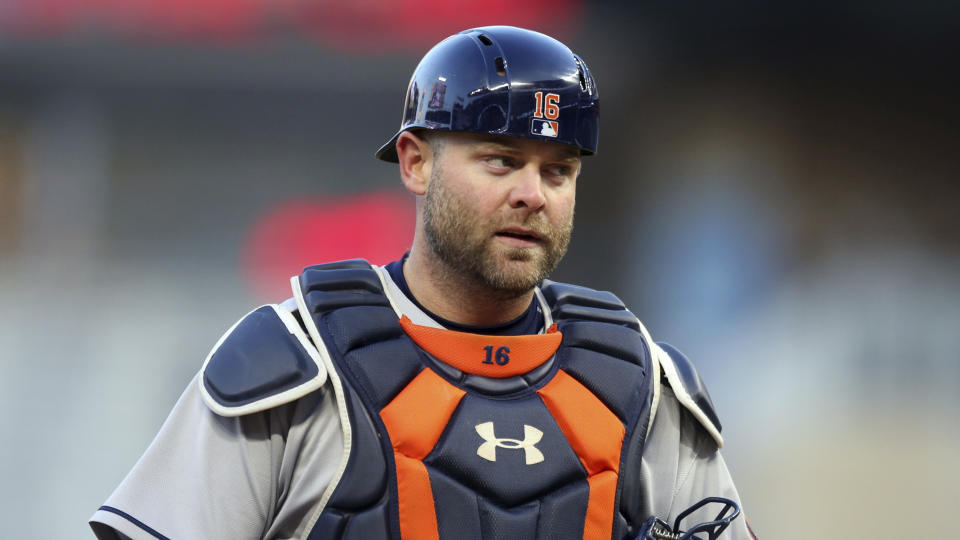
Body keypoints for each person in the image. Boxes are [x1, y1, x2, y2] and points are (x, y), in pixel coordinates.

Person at [90, 25, 756, 540]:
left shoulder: (640, 383)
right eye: (502, 160)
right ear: (415, 162)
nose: (533, 194)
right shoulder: (294, 363)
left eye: (559, 171)